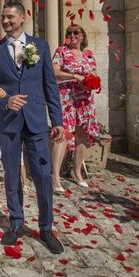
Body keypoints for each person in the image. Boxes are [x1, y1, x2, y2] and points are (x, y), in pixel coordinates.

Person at [0, 2, 65, 254]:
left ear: (23, 18)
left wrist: (57, 121)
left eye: (10, 17)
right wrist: (4, 100)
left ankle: (46, 228)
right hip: (8, 122)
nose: (5, 21)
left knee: (42, 175)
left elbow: (50, 85)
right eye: (3, 17)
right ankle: (16, 223)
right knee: (12, 175)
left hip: (37, 121)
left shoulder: (40, 46)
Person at [50, 24, 99, 192]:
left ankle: (77, 172)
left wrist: (91, 83)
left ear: (82, 36)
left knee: (82, 135)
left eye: (76, 32)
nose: (72, 35)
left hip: (85, 100)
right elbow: (54, 72)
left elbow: (93, 74)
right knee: (62, 135)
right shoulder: (61, 51)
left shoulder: (89, 55)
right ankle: (55, 176)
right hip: (67, 98)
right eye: (69, 33)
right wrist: (74, 76)